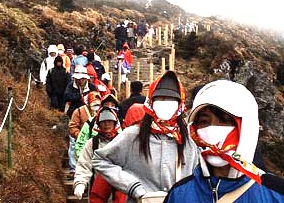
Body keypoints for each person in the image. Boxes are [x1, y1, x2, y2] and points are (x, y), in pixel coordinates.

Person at [164, 80, 284, 203]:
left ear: (247, 128)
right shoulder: (178, 195)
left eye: (225, 121)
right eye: (204, 121)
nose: (212, 129)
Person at [92, 71, 199, 203]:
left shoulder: (190, 140)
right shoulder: (133, 135)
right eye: (160, 99)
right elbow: (101, 160)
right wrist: (133, 187)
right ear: (151, 102)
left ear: (180, 104)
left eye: (171, 99)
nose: (165, 103)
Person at [73, 107, 125, 202]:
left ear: (115, 122)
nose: (106, 124)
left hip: (120, 190)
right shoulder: (92, 143)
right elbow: (84, 165)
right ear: (98, 124)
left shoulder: (123, 142)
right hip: (97, 191)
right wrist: (80, 183)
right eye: (103, 121)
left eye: (110, 121)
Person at [64, 65, 97, 177]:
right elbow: (67, 96)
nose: (80, 80)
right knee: (73, 144)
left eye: (82, 79)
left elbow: (97, 98)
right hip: (75, 114)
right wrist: (80, 97)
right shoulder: (70, 86)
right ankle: (74, 168)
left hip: (90, 117)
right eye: (78, 79)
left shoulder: (92, 87)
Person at [75, 93, 120, 159]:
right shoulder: (91, 122)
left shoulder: (118, 123)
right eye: (106, 105)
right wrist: (83, 160)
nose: (109, 107)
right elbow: (81, 143)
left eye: (112, 105)